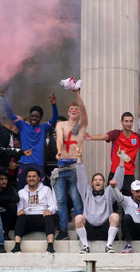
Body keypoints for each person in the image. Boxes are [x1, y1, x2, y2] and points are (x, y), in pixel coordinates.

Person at [1, 90, 58, 190]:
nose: (34, 118)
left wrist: (54, 105)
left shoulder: (44, 128)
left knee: (39, 190)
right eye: (32, 116)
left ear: (40, 118)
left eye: (37, 116)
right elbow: (10, 114)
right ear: (30, 116)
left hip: (38, 164)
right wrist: (4, 100)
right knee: (21, 189)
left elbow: (55, 118)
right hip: (24, 163)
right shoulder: (23, 126)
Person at [74, 145, 125, 253]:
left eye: (100, 180)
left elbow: (118, 182)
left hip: (105, 229)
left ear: (104, 183)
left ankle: (109, 246)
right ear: (92, 183)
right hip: (89, 230)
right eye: (95, 180)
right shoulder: (86, 192)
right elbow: (81, 177)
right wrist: (79, 158)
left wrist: (121, 161)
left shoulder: (108, 193)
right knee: (78, 218)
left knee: (115, 216)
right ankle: (85, 246)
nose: (97, 181)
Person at [52, 90, 87, 240]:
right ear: (68, 111)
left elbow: (85, 111)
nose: (73, 111)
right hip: (61, 165)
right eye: (71, 109)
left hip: (75, 166)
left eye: (76, 109)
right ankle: (63, 230)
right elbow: (59, 138)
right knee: (61, 200)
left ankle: (80, 230)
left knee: (76, 198)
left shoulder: (82, 125)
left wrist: (77, 95)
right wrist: (59, 151)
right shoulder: (61, 124)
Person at [11, 168, 57, 254]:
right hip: (28, 218)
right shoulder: (21, 192)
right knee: (20, 217)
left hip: (42, 216)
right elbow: (19, 207)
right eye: (29, 177)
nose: (31, 178)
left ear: (39, 178)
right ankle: (17, 246)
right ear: (26, 179)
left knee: (49, 217)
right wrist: (20, 211)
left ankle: (50, 246)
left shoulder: (46, 189)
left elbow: (53, 206)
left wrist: (49, 210)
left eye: (34, 176)